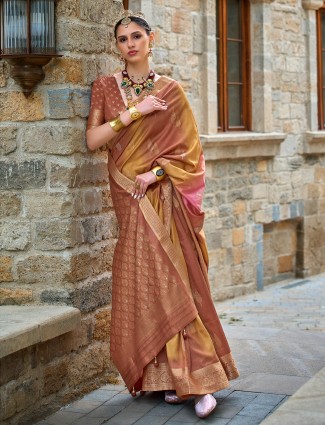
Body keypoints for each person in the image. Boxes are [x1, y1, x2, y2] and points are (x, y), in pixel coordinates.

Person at [86, 11, 239, 419]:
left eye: (137, 36)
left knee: (174, 280)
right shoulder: (105, 87)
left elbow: (191, 154)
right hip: (124, 193)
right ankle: (168, 378)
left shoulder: (171, 90)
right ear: (116, 46)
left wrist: (156, 173)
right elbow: (93, 139)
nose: (130, 44)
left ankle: (202, 381)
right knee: (146, 283)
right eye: (122, 39)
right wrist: (134, 112)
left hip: (159, 194)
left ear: (151, 40)